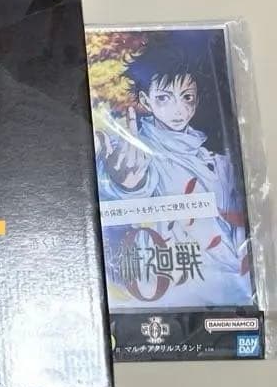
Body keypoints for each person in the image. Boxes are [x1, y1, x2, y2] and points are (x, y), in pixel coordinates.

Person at [96, 37, 252, 307]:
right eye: (164, 98)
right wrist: (126, 187)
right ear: (145, 100)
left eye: (187, 97)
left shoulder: (213, 157)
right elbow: (124, 185)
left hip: (227, 289)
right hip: (165, 288)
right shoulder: (134, 149)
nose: (178, 110)